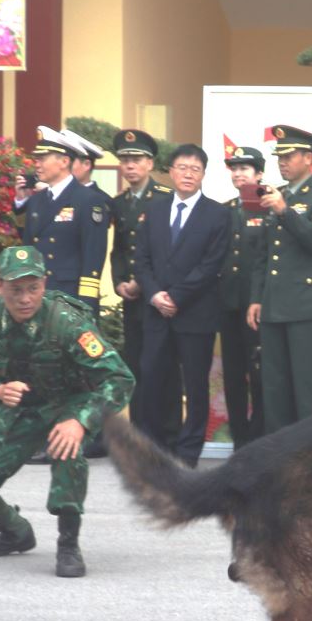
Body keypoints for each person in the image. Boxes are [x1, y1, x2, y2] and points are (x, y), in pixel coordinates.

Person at [0, 245, 135, 577]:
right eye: (16, 289)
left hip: (68, 403)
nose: (25, 298)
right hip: (19, 409)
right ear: (0, 286)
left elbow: (120, 378)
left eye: (33, 288)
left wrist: (81, 421)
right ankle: (14, 532)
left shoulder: (67, 322)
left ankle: (68, 543)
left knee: (67, 447)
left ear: (44, 285)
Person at [134, 144, 230, 465]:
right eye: (182, 167)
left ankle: (188, 451)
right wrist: (154, 294)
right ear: (171, 171)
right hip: (156, 311)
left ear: (203, 174)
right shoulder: (155, 209)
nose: (188, 174)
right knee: (153, 379)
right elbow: (142, 259)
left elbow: (211, 264)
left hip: (196, 313)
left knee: (195, 383)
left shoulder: (218, 214)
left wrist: (176, 296)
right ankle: (155, 445)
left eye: (195, 169)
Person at [246, 124, 312, 432]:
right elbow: (264, 254)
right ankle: (279, 455)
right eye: (279, 157)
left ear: (309, 158)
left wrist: (286, 212)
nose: (282, 162)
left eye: (289, 156)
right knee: (274, 386)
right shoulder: (277, 195)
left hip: (306, 305)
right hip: (273, 305)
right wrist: (256, 299)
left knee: (308, 384)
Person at [108, 129, 173, 413]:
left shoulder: (164, 198)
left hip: (158, 295)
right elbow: (119, 249)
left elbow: (168, 251)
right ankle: (139, 427)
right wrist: (120, 282)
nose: (130, 166)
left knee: (161, 364)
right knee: (134, 363)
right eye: (124, 160)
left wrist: (141, 282)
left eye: (136, 159)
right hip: (130, 298)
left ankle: (164, 431)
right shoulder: (119, 202)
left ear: (150, 163)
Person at [19, 126, 109, 314]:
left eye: (42, 159)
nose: (36, 164)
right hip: (38, 298)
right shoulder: (36, 200)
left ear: (64, 161)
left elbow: (93, 256)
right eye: (36, 159)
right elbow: (27, 246)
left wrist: (85, 304)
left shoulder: (88, 200)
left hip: (70, 298)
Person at [220, 145, 267, 446]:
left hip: (258, 307)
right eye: (234, 168)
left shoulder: (267, 206)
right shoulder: (224, 209)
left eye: (245, 168)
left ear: (259, 174)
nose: (238, 173)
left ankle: (259, 438)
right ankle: (239, 441)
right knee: (233, 376)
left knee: (259, 375)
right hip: (227, 305)